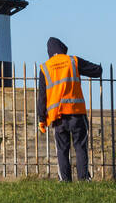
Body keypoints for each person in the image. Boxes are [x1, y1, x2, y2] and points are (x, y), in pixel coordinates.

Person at [36, 37, 102, 182]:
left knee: (62, 149)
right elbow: (96, 70)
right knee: (80, 147)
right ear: (62, 49)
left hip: (57, 116)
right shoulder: (73, 61)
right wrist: (99, 69)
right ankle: (84, 178)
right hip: (76, 112)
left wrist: (41, 119)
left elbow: (42, 96)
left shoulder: (45, 67)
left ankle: (64, 180)